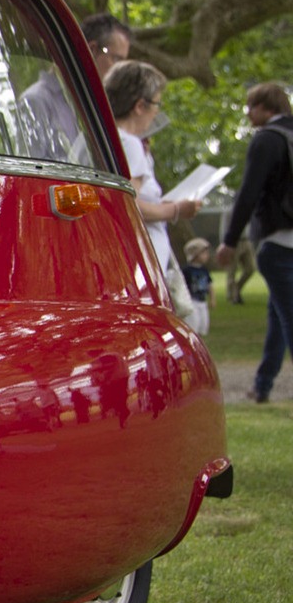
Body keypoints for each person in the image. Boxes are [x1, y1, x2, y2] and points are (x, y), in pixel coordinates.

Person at [215, 81, 293, 403]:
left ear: (265, 107)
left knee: (288, 317)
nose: (248, 114)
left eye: (251, 107)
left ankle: (263, 385)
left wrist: (230, 240)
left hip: (278, 242)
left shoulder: (267, 140)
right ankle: (262, 385)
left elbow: (248, 193)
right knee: (278, 314)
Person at [104, 61, 199, 311]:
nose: (157, 112)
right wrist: (175, 210)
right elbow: (128, 205)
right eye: (157, 104)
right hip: (138, 263)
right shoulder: (130, 144)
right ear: (140, 106)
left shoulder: (94, 138)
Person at [22, 14, 132, 161]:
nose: (119, 70)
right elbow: (30, 166)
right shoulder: (36, 99)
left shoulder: (95, 104)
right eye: (116, 59)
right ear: (92, 49)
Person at [180, 237, 214, 336]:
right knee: (193, 325)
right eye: (204, 253)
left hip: (202, 301)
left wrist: (212, 298)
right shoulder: (186, 271)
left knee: (203, 325)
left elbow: (210, 284)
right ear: (195, 255)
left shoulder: (204, 270)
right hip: (192, 302)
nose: (207, 256)